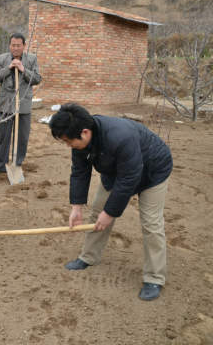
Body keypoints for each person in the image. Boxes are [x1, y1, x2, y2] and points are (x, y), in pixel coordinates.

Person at [49, 103, 173, 301]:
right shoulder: (78, 140)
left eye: (68, 141)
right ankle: (89, 257)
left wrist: (110, 213)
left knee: (151, 222)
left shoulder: (120, 136)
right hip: (116, 171)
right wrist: (76, 207)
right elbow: (79, 172)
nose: (67, 145)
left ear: (85, 132)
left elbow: (129, 179)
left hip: (153, 170)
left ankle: (154, 277)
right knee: (96, 212)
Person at [0, 33, 42, 176]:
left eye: (18, 45)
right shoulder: (2, 59)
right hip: (6, 105)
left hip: (23, 105)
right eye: (13, 45)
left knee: (22, 138)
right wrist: (9, 67)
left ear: (24, 46)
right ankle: (0, 166)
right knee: (3, 137)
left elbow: (37, 79)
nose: (15, 48)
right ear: (9, 45)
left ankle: (17, 165)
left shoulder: (31, 59)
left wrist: (23, 69)